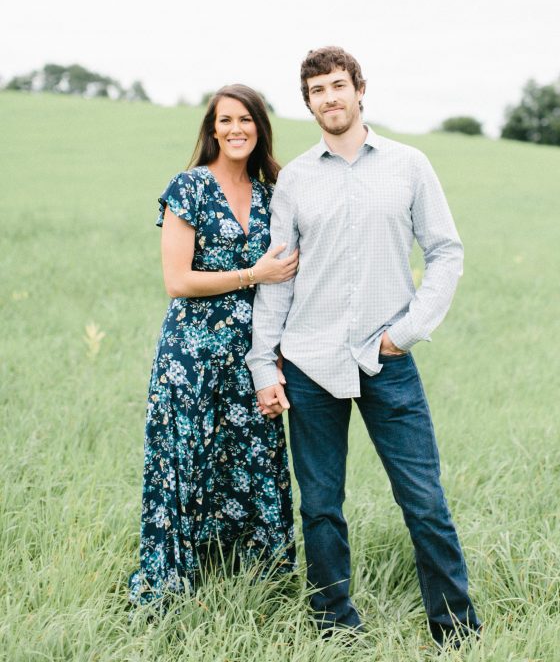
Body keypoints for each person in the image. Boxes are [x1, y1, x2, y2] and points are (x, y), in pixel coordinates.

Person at [247, 47, 481, 647]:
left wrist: (405, 332)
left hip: (386, 360)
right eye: (317, 91)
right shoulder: (296, 178)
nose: (329, 98)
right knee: (321, 505)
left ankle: (455, 630)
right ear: (308, 103)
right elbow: (279, 276)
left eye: (337, 86)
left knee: (423, 499)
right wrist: (263, 366)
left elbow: (446, 251)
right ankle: (334, 627)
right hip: (308, 362)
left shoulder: (408, 164)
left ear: (359, 90)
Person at [129, 85, 298, 606]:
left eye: (245, 120)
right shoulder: (190, 188)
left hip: (252, 355)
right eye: (225, 120)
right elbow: (177, 281)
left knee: (254, 457)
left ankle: (257, 579)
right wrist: (253, 273)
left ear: (259, 128)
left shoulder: (274, 195)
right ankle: (171, 584)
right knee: (187, 459)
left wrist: (275, 356)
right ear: (212, 129)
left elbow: (289, 280)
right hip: (193, 355)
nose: (235, 129)